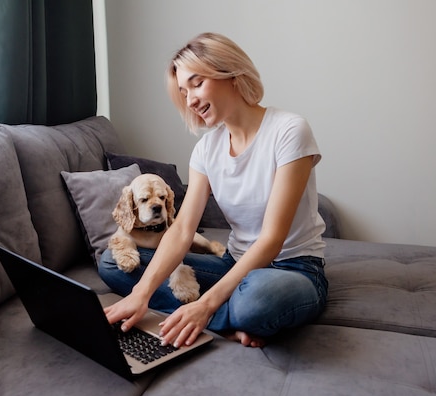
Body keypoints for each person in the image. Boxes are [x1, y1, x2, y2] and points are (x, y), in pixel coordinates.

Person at [98, 32, 328, 348]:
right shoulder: (207, 149)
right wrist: (141, 294)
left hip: (291, 270)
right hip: (235, 265)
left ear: (230, 74)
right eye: (183, 91)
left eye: (197, 83)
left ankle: (212, 315)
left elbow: (272, 240)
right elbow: (181, 231)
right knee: (112, 263)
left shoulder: (289, 130)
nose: (190, 99)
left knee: (256, 300)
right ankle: (225, 323)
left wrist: (205, 305)